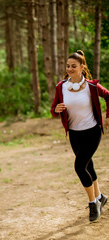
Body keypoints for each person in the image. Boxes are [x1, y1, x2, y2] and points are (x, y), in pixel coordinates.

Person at [51, 50, 109, 222]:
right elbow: (53, 108)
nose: (69, 69)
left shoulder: (91, 86)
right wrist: (56, 110)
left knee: (79, 167)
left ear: (82, 67)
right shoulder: (61, 87)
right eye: (68, 66)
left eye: (73, 66)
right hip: (74, 134)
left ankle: (93, 203)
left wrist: (108, 116)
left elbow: (108, 95)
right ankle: (100, 198)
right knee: (87, 166)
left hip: (92, 132)